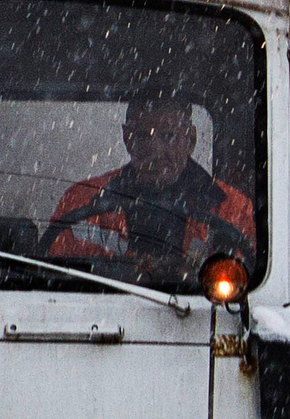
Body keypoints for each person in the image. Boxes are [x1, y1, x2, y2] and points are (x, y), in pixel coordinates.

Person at [45, 89, 257, 278]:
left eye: (168, 136)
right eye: (143, 136)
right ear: (127, 139)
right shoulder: (81, 201)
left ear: (190, 139)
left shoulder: (233, 210)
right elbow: (59, 282)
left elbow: (247, 291)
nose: (155, 151)